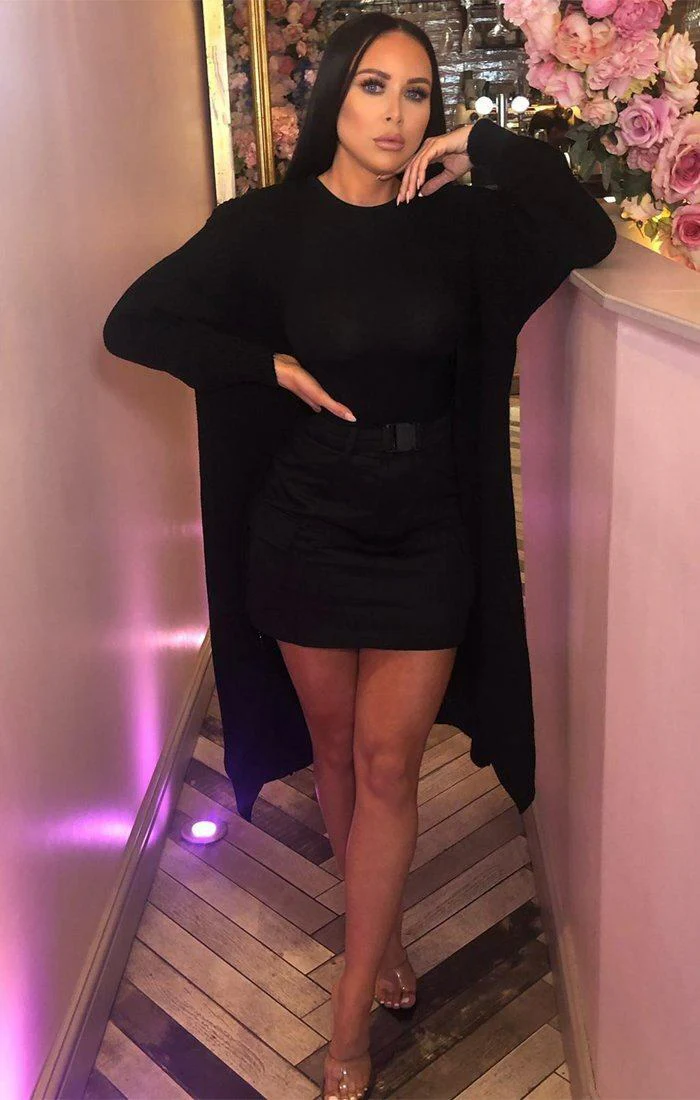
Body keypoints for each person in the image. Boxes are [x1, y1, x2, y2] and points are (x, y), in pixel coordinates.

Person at [103, 15, 616, 1099]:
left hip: (428, 529)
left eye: (416, 93)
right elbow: (136, 322)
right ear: (334, 93)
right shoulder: (265, 225)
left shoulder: (460, 224)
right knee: (335, 755)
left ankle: (348, 1018)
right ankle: (377, 931)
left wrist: (484, 143)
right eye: (374, 86)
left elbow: (584, 232)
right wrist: (268, 366)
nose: (394, 112)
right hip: (305, 526)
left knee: (389, 764)